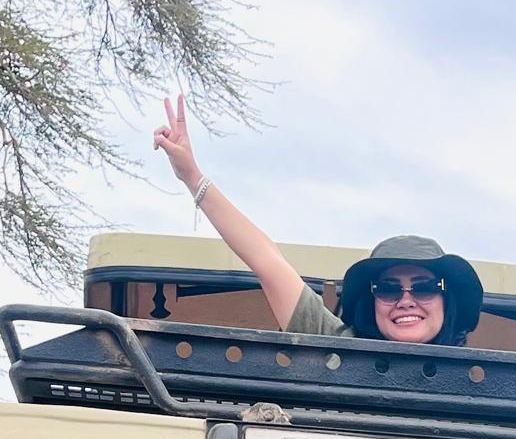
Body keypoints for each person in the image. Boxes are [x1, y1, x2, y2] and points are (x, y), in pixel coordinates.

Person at [152, 93, 484, 346]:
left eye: (425, 287)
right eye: (388, 289)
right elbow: (266, 261)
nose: (406, 300)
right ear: (372, 300)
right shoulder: (340, 348)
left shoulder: (483, 380)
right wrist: (192, 176)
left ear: (446, 297)